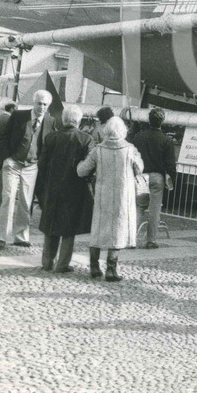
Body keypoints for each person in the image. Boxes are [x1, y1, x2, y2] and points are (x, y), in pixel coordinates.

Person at [77, 117, 144, 282]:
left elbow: (82, 171)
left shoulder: (98, 150)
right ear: (123, 131)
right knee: (118, 231)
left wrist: (79, 163)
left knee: (99, 229)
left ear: (106, 131)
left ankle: (94, 267)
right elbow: (140, 168)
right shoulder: (130, 149)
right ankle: (111, 269)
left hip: (102, 195)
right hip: (123, 196)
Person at [36, 106, 95, 272]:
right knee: (69, 228)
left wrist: (42, 188)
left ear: (64, 119)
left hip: (52, 188)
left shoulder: (51, 137)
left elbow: (42, 165)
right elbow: (89, 166)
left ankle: (47, 262)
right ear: (78, 120)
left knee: (51, 225)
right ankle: (62, 264)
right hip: (75, 189)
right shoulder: (86, 139)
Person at [0, 90, 55, 250]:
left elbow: (49, 145)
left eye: (45, 104)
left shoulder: (50, 121)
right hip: (13, 162)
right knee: (8, 198)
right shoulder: (19, 116)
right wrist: (7, 157)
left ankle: (21, 236)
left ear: (48, 106)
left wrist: (41, 163)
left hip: (32, 166)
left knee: (26, 202)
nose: (41, 107)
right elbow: (4, 137)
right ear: (34, 103)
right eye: (39, 103)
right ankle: (2, 237)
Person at [130, 107, 177, 250]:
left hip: (141, 175)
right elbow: (170, 164)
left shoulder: (138, 137)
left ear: (148, 120)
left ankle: (130, 239)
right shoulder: (166, 140)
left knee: (139, 207)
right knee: (154, 209)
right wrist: (173, 180)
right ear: (162, 121)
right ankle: (151, 240)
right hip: (157, 177)